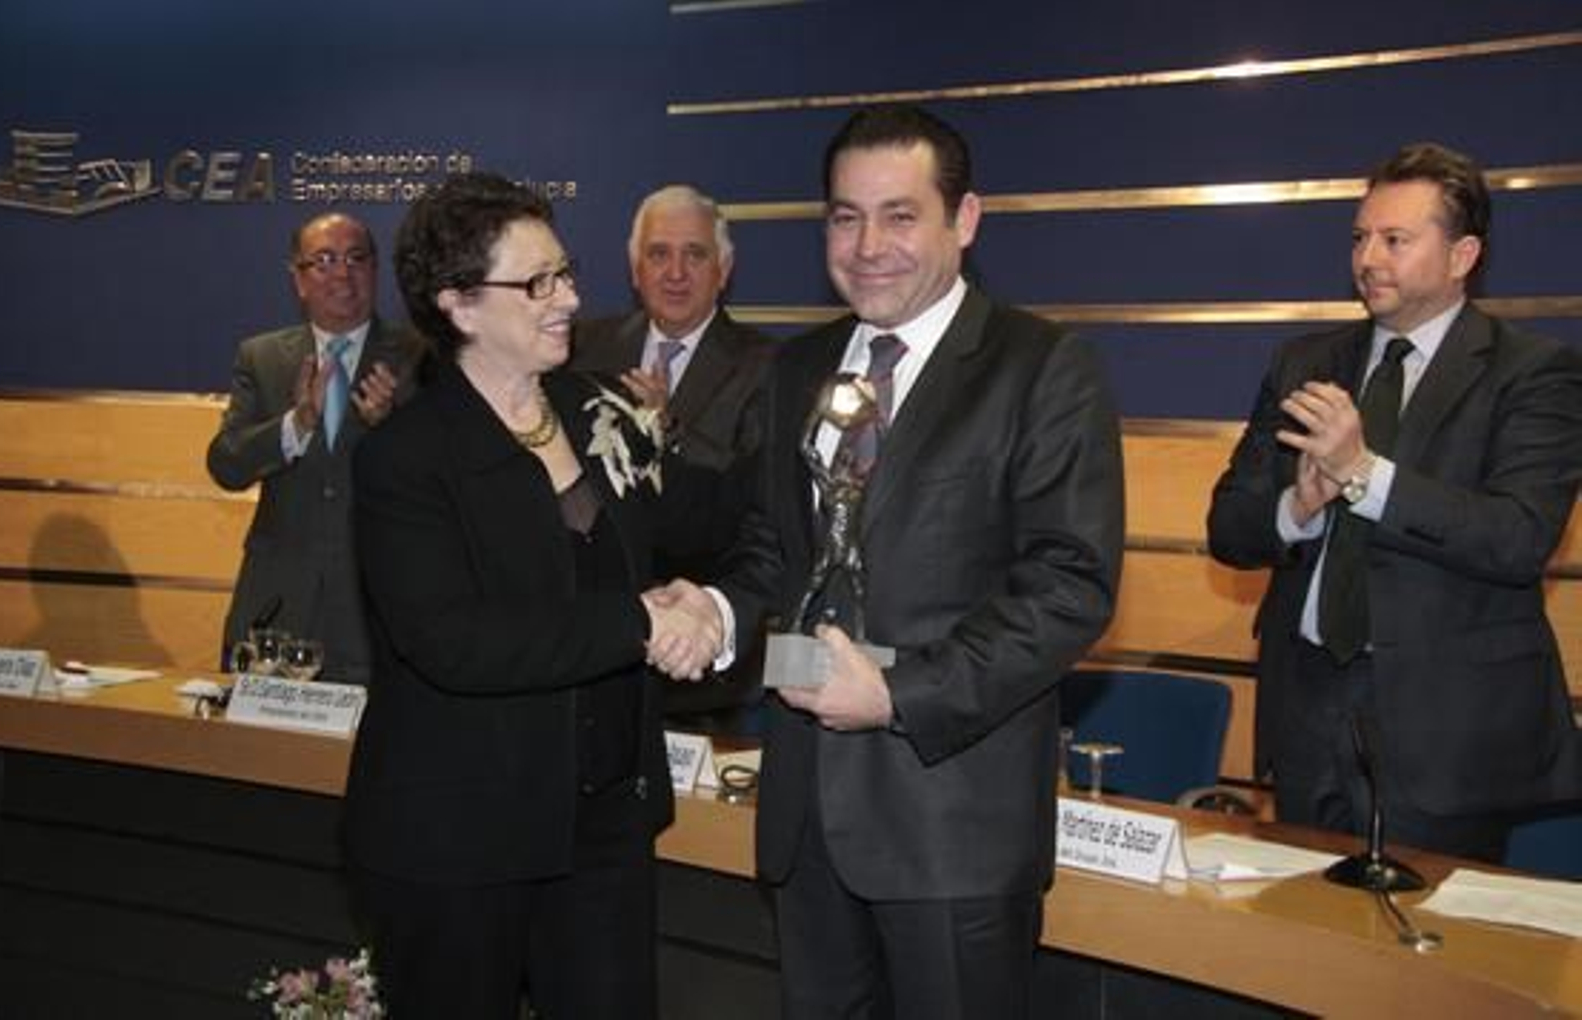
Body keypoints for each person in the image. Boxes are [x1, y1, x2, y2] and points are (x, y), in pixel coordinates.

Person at [662, 105, 1125, 1019]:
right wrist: (714, 609)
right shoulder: (798, 369)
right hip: (805, 820)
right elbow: (774, 544)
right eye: (844, 215)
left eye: (900, 215)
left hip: (950, 826)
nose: (868, 244)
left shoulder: (1042, 368)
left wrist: (901, 694)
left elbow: (1070, 584)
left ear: (965, 221)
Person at [342, 172, 720, 1018]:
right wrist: (638, 621)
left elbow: (704, 520)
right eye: (538, 282)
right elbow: (456, 641)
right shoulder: (407, 459)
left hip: (603, 828)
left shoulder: (597, 411)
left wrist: (709, 597)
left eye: (568, 273)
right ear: (460, 305)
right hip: (460, 836)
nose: (571, 298)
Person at [1207, 142, 1582, 862]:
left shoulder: (1533, 373)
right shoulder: (1303, 362)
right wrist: (1300, 503)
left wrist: (1362, 473)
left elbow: (1518, 536)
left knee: (1427, 962)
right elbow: (1229, 527)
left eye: (1395, 239)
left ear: (1462, 254)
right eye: (1359, 238)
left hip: (1447, 730)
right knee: (1303, 947)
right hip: (1307, 707)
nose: (1368, 257)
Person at [570, 184, 777, 722]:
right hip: (595, 646)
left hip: (702, 667)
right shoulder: (581, 348)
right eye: (658, 254)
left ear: (724, 270)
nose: (676, 273)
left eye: (695, 254)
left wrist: (666, 431)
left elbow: (750, 505)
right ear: (635, 269)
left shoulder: (769, 367)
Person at [206, 212, 420, 684]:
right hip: (279, 609)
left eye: (355, 258)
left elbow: (449, 476)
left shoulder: (420, 358)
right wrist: (296, 423)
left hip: (380, 611)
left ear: (375, 270)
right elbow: (226, 463)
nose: (342, 273)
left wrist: (392, 430)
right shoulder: (260, 358)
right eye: (323, 261)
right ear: (298, 279)